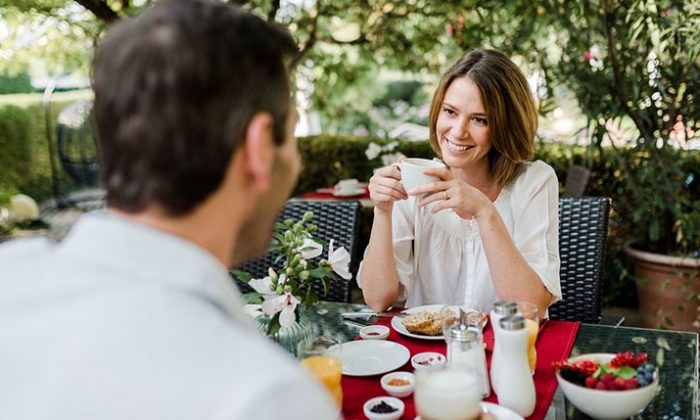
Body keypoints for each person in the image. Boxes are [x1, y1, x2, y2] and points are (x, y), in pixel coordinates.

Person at [0, 1, 338, 419]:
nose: (297, 163)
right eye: (291, 136)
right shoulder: (266, 396)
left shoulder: (9, 280)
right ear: (259, 148)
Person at [358, 48, 561, 317]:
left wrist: (484, 211)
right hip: (425, 352)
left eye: (479, 119)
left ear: (504, 125)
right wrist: (383, 212)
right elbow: (377, 300)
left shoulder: (533, 181)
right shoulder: (416, 178)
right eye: (450, 112)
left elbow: (528, 307)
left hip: (503, 349)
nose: (458, 131)